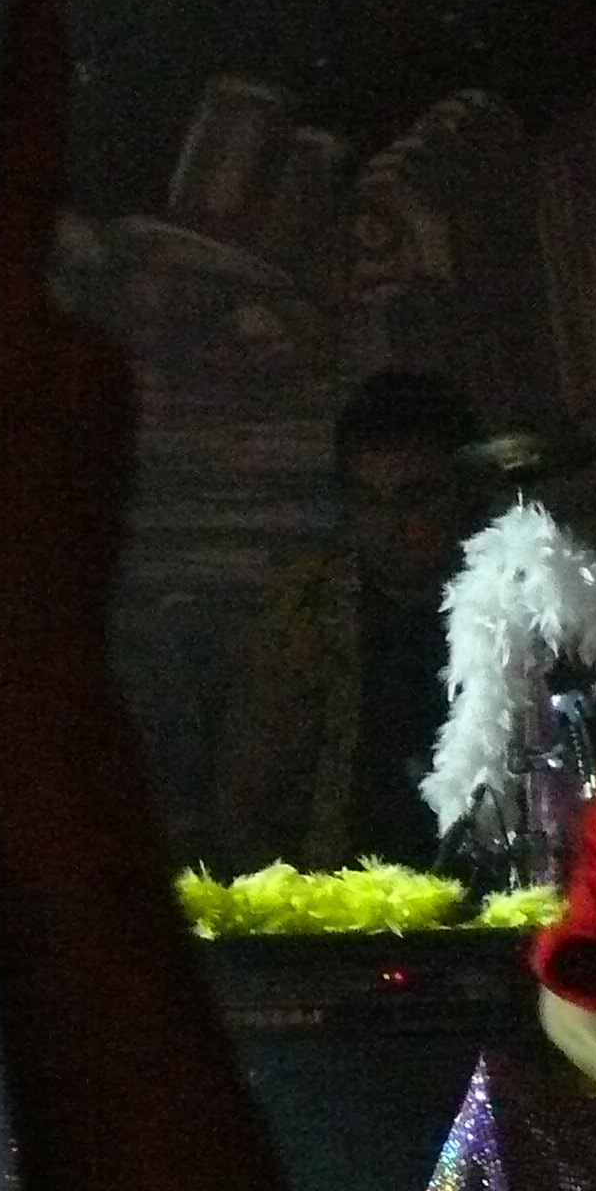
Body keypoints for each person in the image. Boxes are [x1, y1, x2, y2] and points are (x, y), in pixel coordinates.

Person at [209, 366, 487, 871]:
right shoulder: (305, 615)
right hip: (344, 893)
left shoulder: (516, 598)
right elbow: (248, 803)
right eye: (369, 500)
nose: (391, 525)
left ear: (465, 494)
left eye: (416, 497)